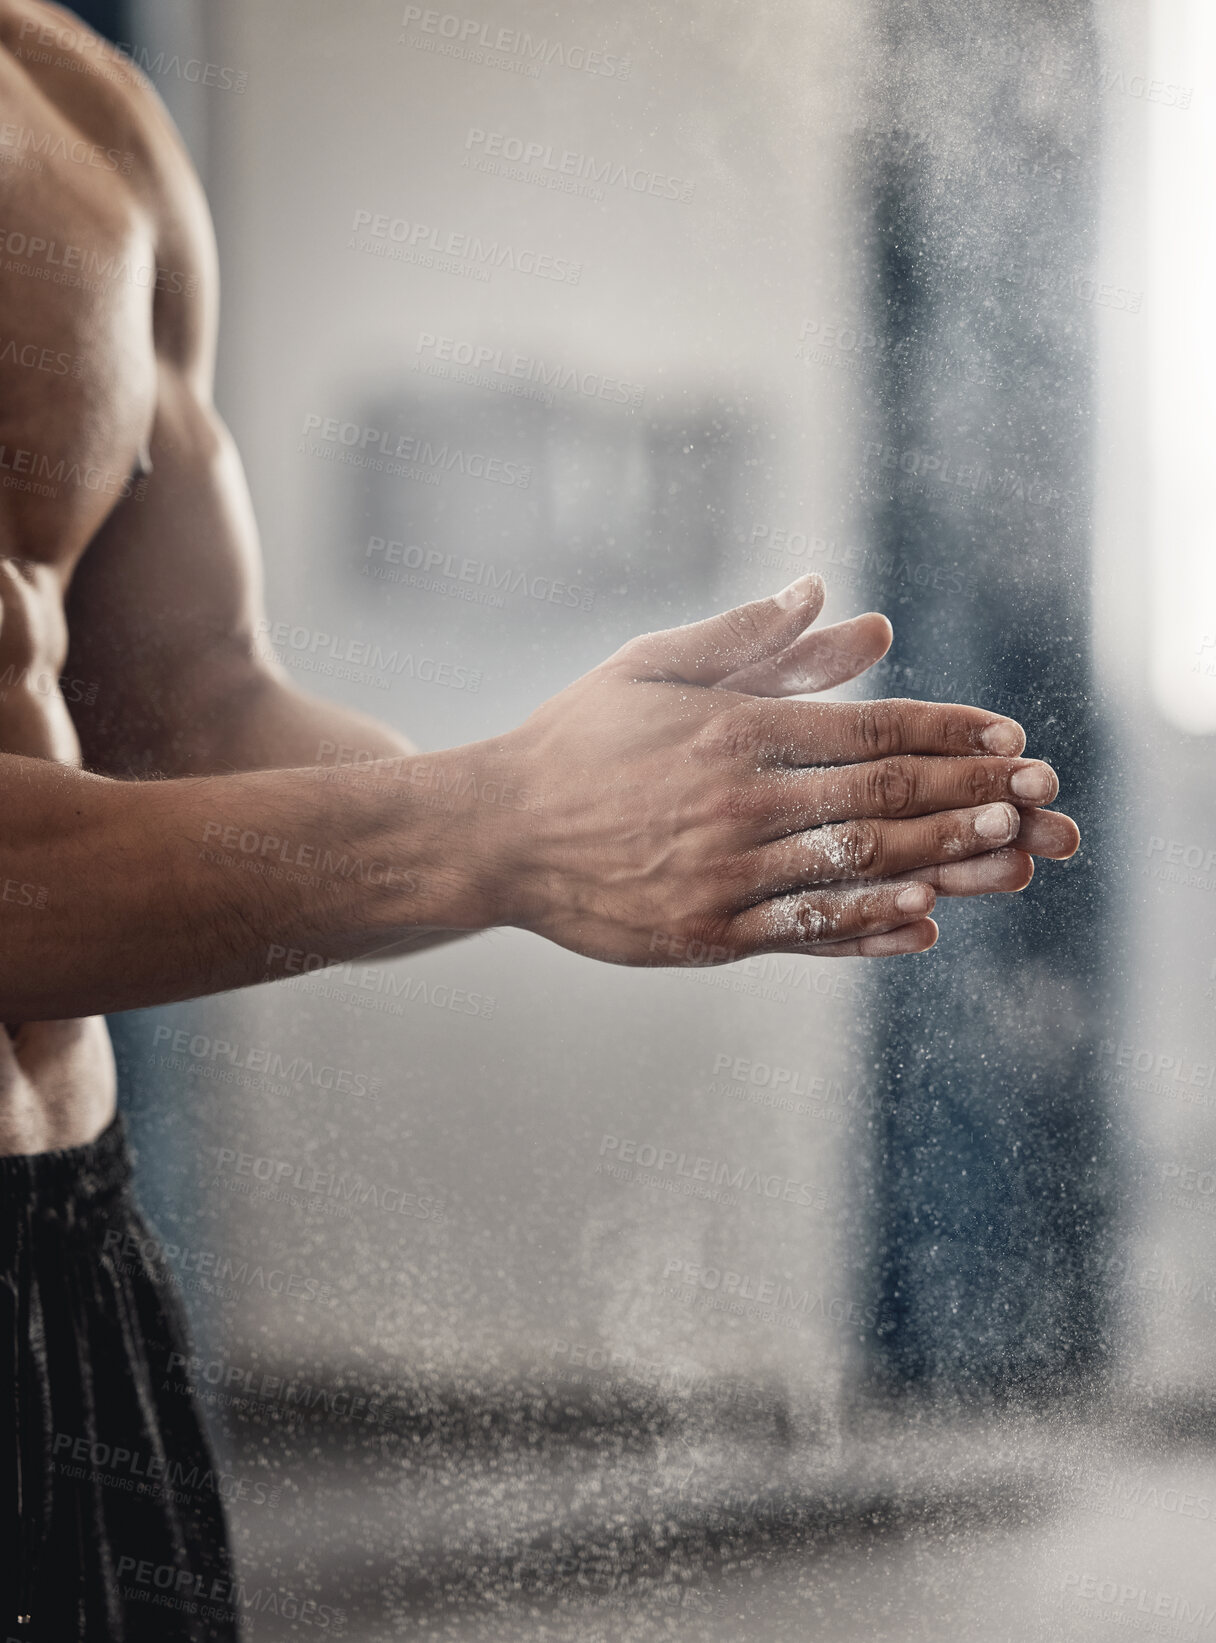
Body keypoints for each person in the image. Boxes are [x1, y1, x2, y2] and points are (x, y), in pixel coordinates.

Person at [0, 1, 1080, 1635]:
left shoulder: (73, 104)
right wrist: (505, 824)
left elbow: (195, 713)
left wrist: (619, 795)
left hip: (61, 1245)